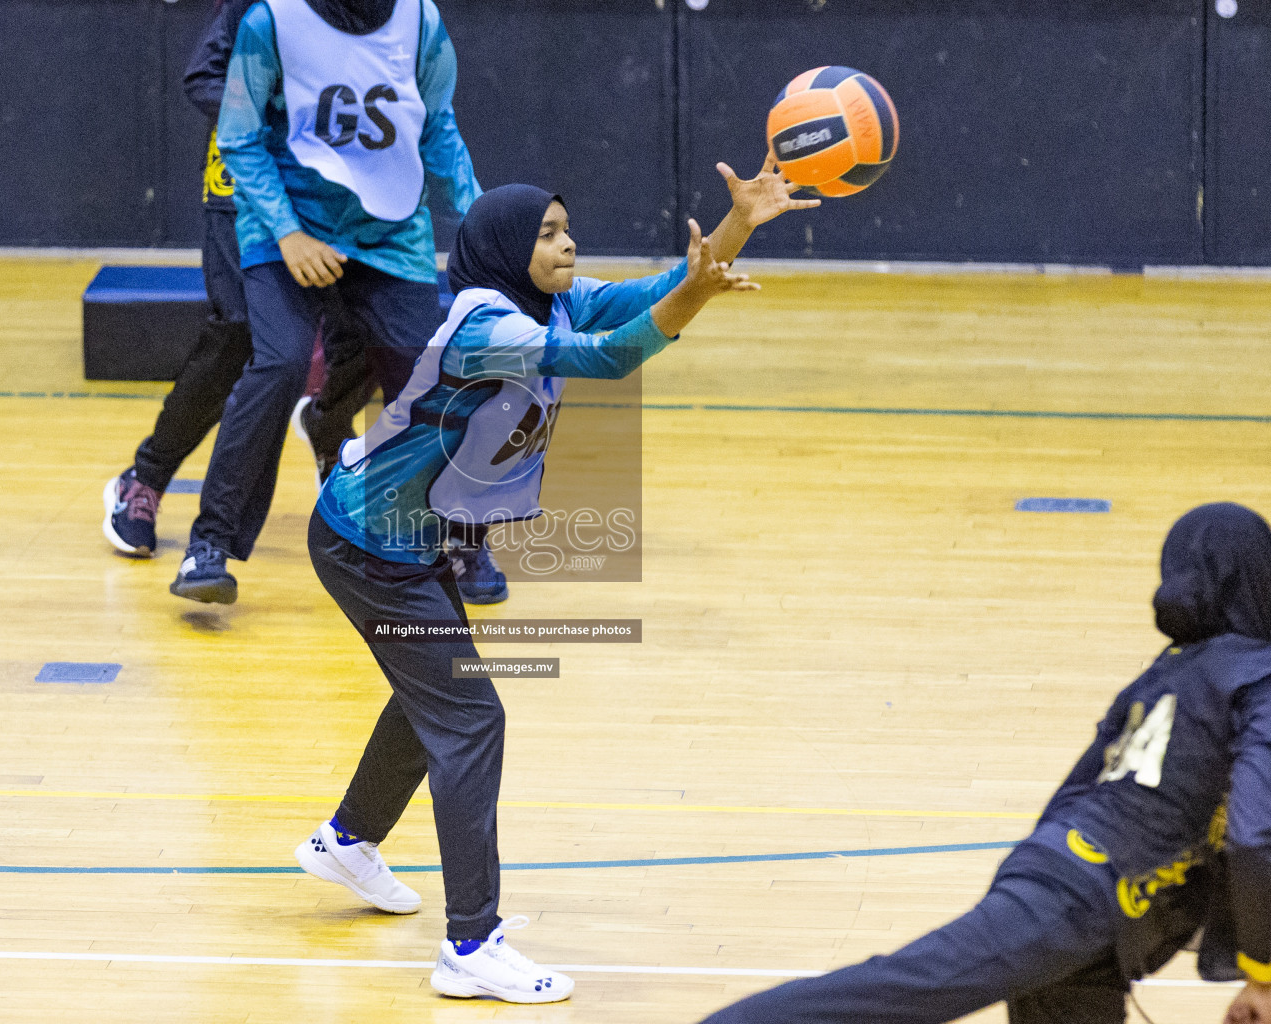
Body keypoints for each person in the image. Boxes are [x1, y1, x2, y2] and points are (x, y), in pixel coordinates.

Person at [290, 163, 819, 1003]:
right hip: (369, 544)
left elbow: (668, 285)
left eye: (568, 228)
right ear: (504, 247)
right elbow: (610, 358)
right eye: (545, 232)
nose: (567, 242)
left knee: (430, 697)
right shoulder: (482, 326)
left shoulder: (556, 298)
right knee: (472, 719)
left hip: (411, 537)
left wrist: (739, 223)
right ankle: (470, 947)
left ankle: (348, 841)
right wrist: (699, 299)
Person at [698, 501, 1271, 1024]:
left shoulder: (1167, 673)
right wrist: (1264, 973)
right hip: (1078, 900)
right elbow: (1255, 834)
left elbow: (1075, 793)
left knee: (912, 987)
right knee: (904, 991)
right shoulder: (1258, 677)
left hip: (1074, 896)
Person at [170, 0, 497, 607]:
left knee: (431, 377)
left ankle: (458, 537)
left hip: (388, 231)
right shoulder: (269, 22)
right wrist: (289, 233)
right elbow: (239, 139)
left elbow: (438, 127)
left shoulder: (420, 21)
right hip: (285, 227)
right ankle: (209, 542)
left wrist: (482, 218)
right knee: (280, 364)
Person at [103, 0, 256, 559]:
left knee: (368, 329)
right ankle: (145, 479)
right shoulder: (250, 9)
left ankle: (332, 430)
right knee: (238, 331)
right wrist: (273, 122)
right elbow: (203, 77)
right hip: (242, 186)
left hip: (337, 193)